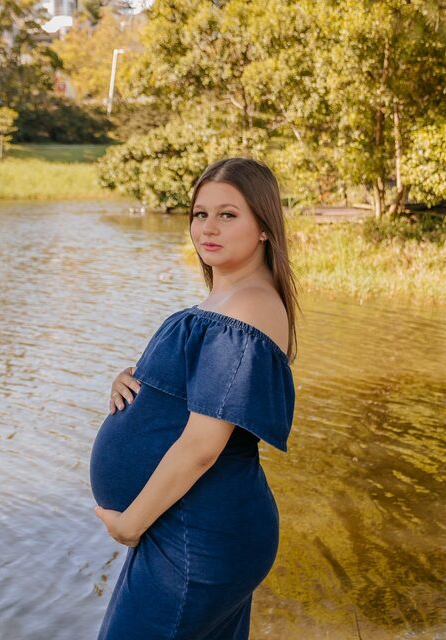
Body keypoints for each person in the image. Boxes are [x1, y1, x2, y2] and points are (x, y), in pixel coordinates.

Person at [89, 157, 299, 639]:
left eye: (228, 215)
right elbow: (195, 390)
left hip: (195, 531)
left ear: (264, 227)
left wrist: (130, 525)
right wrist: (131, 379)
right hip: (186, 523)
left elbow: (204, 444)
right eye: (199, 214)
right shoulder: (228, 300)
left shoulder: (248, 306)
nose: (208, 227)